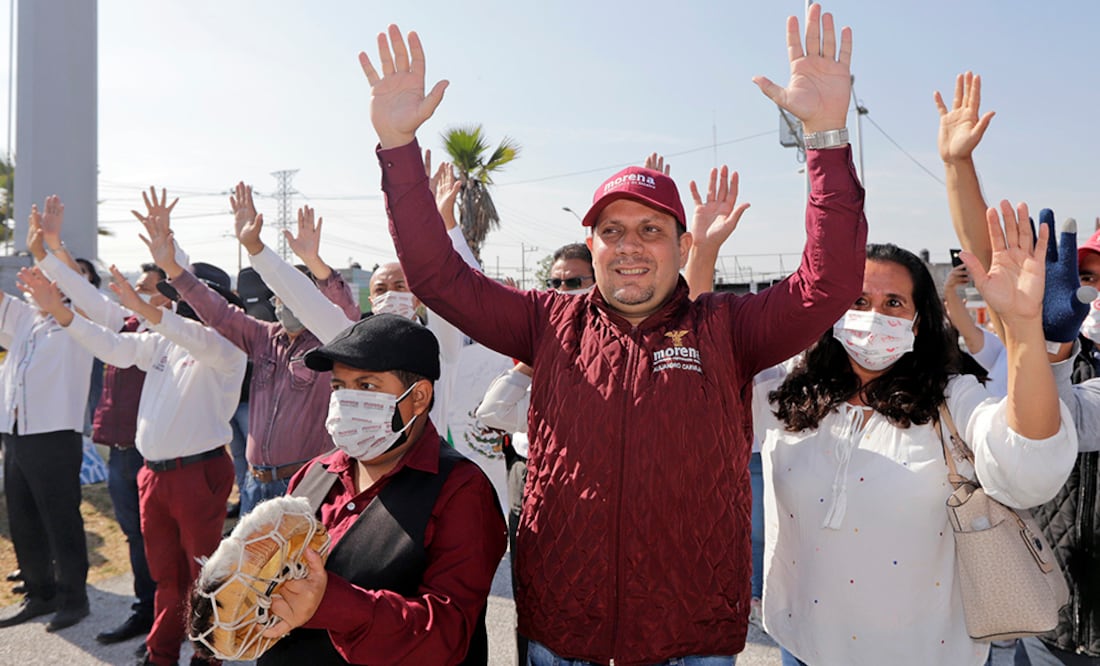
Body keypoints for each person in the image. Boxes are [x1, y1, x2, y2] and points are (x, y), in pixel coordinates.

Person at [360, 4, 866, 661]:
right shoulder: (546, 321)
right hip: (562, 634)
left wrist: (826, 136)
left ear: (683, 246)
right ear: (591, 246)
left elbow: (826, 285)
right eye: (612, 231)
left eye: (651, 230)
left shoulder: (726, 328)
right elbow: (436, 277)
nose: (630, 247)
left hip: (690, 638)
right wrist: (398, 151)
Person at [755, 203, 1077, 665]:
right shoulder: (787, 393)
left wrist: (1024, 327)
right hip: (803, 647)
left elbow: (1030, 465)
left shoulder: (952, 397)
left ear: (917, 320)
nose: (873, 316)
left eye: (893, 303)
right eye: (859, 302)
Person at [21, 196, 247, 666]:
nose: (187, 304)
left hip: (197, 475)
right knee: (167, 579)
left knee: (204, 578)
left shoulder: (226, 349)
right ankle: (161, 654)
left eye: (197, 300)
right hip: (154, 476)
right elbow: (113, 346)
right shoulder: (161, 342)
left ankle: (208, 657)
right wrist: (61, 310)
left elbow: (192, 332)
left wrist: (165, 273)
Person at [938, 72, 1100, 665]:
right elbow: (988, 257)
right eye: (1083, 278)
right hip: (1047, 612)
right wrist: (959, 168)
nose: (1088, 293)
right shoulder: (1038, 344)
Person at [253, 313, 507, 665]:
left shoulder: (461, 490)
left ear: (418, 397)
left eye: (367, 386)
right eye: (339, 387)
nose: (345, 402)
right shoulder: (314, 473)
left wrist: (332, 604)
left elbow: (448, 634)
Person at [142, 193, 358, 515]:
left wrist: (315, 264)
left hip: (306, 483)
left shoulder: (330, 342)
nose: (286, 304)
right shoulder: (262, 336)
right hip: (256, 485)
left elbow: (345, 312)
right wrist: (172, 268)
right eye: (280, 298)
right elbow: (218, 311)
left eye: (294, 296)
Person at [28, 199, 170, 644]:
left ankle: (177, 620)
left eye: (148, 288)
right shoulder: (125, 323)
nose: (136, 293)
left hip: (160, 455)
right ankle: (146, 611)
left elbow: (86, 294)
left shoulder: (176, 333)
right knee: (134, 537)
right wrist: (48, 250)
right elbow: (87, 295)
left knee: (167, 542)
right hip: (122, 451)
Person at [0, 198, 95, 632]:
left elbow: (76, 286)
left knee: (61, 518)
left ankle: (74, 599)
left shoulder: (78, 321)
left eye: (46, 278)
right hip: (16, 434)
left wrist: (50, 249)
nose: (35, 283)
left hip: (55, 436)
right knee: (21, 515)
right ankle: (40, 593)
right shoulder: (24, 320)